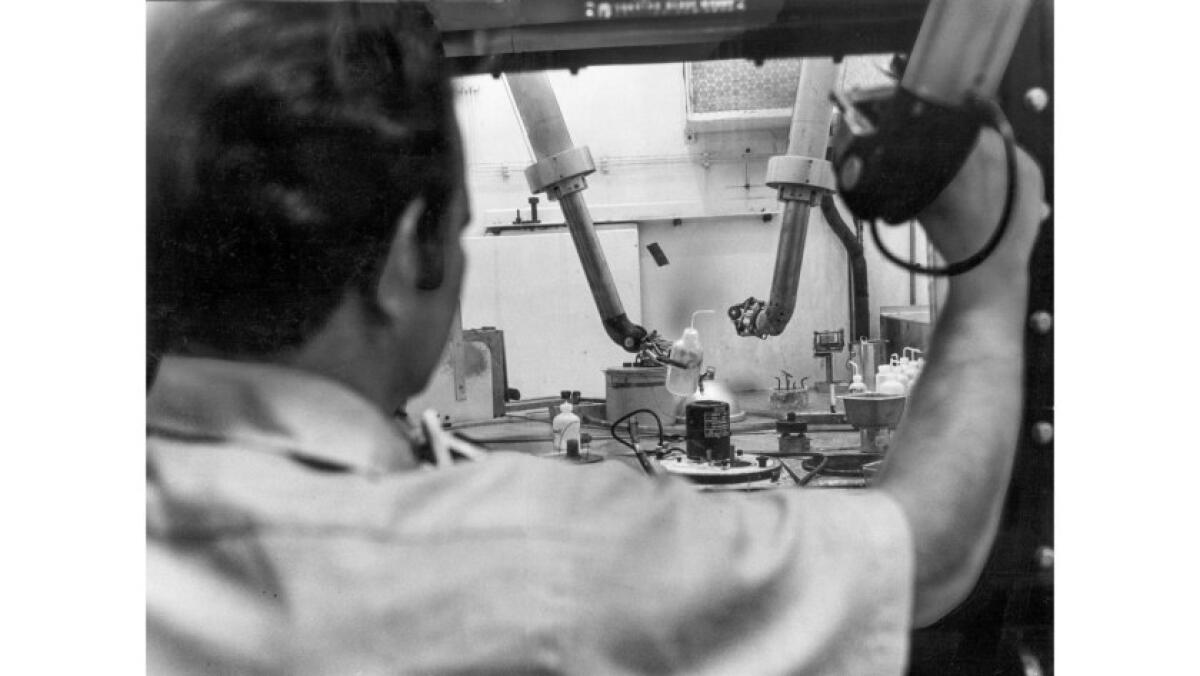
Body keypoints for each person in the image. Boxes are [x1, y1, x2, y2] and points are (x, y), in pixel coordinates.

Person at [146, 2, 1046, 674]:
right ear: (403, 254)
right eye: (460, 234)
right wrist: (995, 274)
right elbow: (923, 554)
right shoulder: (532, 553)